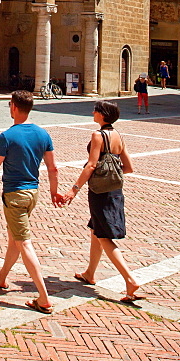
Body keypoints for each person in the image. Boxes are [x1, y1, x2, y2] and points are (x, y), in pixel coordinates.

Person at [0, 90, 60, 315]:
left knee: (24, 242)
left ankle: (44, 298)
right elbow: (53, 168)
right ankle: (1, 276)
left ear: (14, 107)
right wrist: (54, 193)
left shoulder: (6, 137)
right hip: (32, 193)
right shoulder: (43, 134)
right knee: (14, 237)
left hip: (14, 195)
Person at [59, 100, 142, 304]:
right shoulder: (118, 136)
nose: (93, 112)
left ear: (103, 115)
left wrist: (74, 189)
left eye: (96, 110)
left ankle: (130, 280)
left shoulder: (98, 135)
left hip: (99, 191)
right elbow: (129, 167)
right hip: (115, 190)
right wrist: (112, 173)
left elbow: (91, 165)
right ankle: (90, 273)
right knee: (96, 229)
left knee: (104, 236)